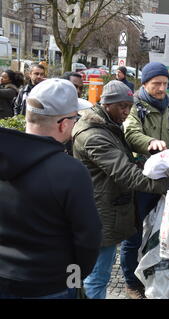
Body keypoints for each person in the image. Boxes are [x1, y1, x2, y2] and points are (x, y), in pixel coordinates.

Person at [71, 80, 169, 299]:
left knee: (99, 273)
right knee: (97, 276)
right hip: (100, 214)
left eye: (129, 106)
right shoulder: (94, 135)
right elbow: (124, 173)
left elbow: (124, 162)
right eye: (122, 106)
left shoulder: (108, 125)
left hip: (107, 207)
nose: (127, 111)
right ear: (107, 104)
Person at [0, 78, 101, 299]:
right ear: (63, 124)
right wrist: (74, 281)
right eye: (76, 118)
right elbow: (88, 239)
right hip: (49, 285)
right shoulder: (71, 172)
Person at [122, 62, 169, 297]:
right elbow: (131, 132)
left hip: (163, 182)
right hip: (141, 181)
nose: (161, 88)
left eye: (165, 84)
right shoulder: (136, 108)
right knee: (132, 233)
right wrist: (149, 143)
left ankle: (149, 274)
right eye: (156, 84)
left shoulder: (168, 109)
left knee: (157, 230)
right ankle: (130, 283)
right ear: (144, 83)